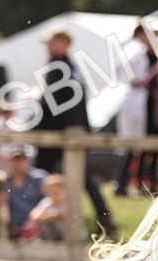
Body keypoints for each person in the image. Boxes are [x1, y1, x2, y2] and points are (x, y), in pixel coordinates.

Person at [35, 26, 116, 233]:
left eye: (52, 43)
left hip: (60, 131)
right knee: (83, 176)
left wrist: (35, 127)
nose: (48, 47)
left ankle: (32, 217)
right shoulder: (71, 67)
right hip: (74, 128)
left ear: (63, 44)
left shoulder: (58, 68)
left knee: (40, 173)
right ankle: (104, 217)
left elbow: (52, 103)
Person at [113, 21, 158, 196]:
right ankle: (121, 183)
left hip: (130, 95)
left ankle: (121, 182)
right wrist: (142, 79)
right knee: (133, 142)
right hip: (134, 96)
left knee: (129, 142)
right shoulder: (137, 48)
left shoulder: (129, 47)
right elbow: (131, 73)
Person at [4, 145, 47, 239]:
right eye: (15, 160)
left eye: (21, 160)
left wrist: (35, 218)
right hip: (10, 228)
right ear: (8, 161)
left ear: (28, 161)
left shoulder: (39, 178)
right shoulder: (2, 181)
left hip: (37, 226)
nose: (18, 163)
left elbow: (49, 200)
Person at [25, 173, 68, 240]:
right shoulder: (46, 202)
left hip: (67, 236)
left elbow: (67, 214)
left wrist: (54, 215)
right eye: (51, 191)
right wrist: (45, 216)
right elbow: (34, 215)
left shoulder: (69, 203)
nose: (54, 193)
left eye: (57, 190)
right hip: (49, 237)